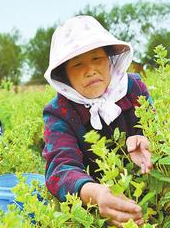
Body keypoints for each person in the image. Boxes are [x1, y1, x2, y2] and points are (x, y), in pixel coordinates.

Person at [42, 15, 154, 227]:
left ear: (109, 59)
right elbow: (60, 169)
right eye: (77, 64)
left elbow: (157, 129)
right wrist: (96, 193)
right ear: (64, 74)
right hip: (94, 206)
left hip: (144, 193)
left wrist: (148, 140)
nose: (90, 70)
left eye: (96, 59)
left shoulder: (134, 88)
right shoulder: (58, 112)